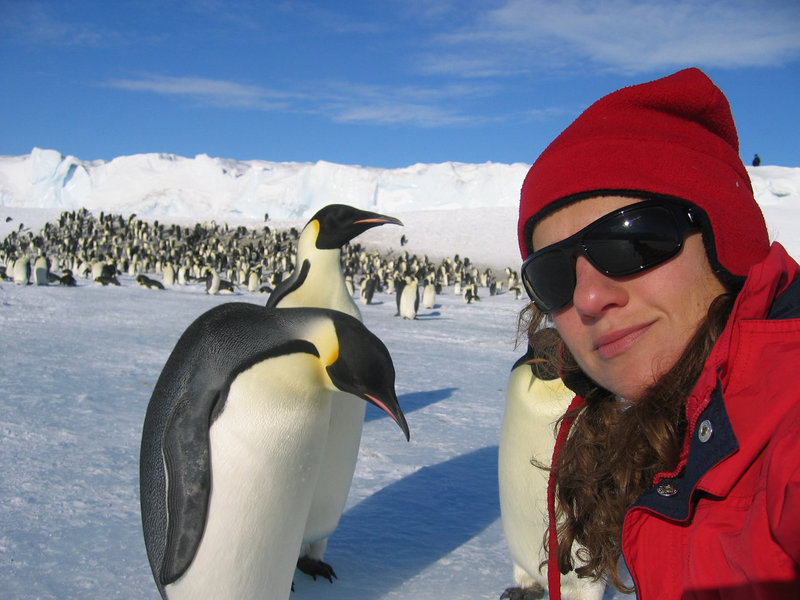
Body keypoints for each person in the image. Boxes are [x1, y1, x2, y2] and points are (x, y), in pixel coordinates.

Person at [515, 67, 800, 599]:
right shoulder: (683, 436)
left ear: (726, 242)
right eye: (552, 276)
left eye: (633, 242)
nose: (589, 299)